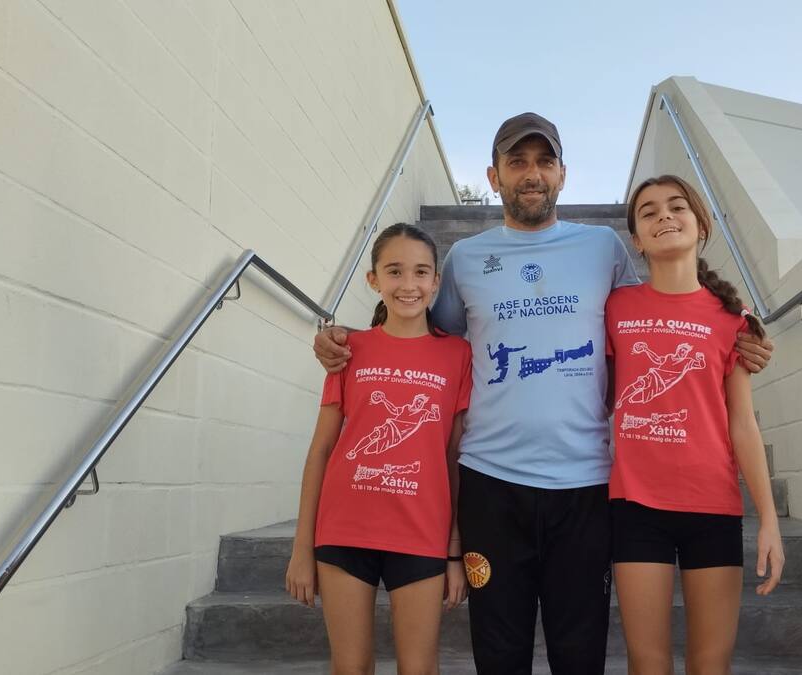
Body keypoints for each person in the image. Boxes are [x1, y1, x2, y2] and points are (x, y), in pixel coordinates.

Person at [314, 113, 775, 675]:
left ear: (562, 174)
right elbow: (421, 335)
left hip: (583, 487)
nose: (531, 174)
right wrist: (348, 340)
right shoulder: (464, 259)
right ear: (494, 177)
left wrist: (739, 331)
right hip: (490, 484)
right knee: (499, 658)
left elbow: (657, 317)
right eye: (517, 162)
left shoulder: (603, 248)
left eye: (544, 161)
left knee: (578, 657)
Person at [608, 175, 784, 675]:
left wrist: (769, 519)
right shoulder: (616, 307)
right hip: (636, 506)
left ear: (701, 225)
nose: (664, 215)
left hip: (712, 506)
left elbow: (743, 424)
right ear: (637, 241)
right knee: (648, 661)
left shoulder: (732, 319)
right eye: (648, 212)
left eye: (676, 206)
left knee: (710, 662)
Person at [285, 223, 473, 675]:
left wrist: (454, 553)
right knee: (350, 667)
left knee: (419, 667)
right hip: (344, 529)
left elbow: (454, 459)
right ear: (374, 280)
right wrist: (301, 548)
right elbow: (321, 450)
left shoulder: (458, 355)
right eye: (394, 271)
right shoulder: (348, 350)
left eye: (420, 272)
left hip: (421, 532)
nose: (408, 284)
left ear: (436, 282)